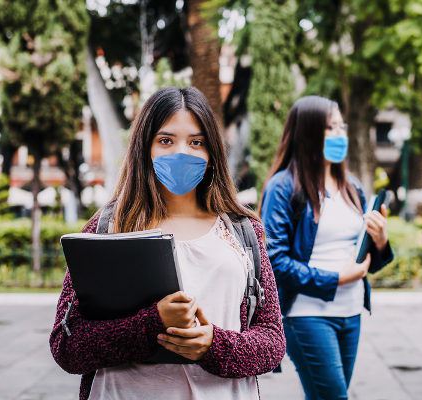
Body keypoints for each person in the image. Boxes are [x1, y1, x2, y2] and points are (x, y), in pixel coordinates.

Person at [50, 86, 285, 400]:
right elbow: (67, 345)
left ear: (213, 153)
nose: (181, 153)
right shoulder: (108, 227)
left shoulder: (243, 231)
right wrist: (153, 324)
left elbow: (272, 341)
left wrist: (212, 345)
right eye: (165, 140)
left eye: (196, 142)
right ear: (144, 148)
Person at [260, 95, 394, 400]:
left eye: (341, 127)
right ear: (307, 133)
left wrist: (381, 241)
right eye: (329, 128)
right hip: (306, 314)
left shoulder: (352, 186)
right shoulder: (283, 187)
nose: (339, 135)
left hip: (351, 312)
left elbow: (364, 258)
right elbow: (274, 261)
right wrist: (336, 279)